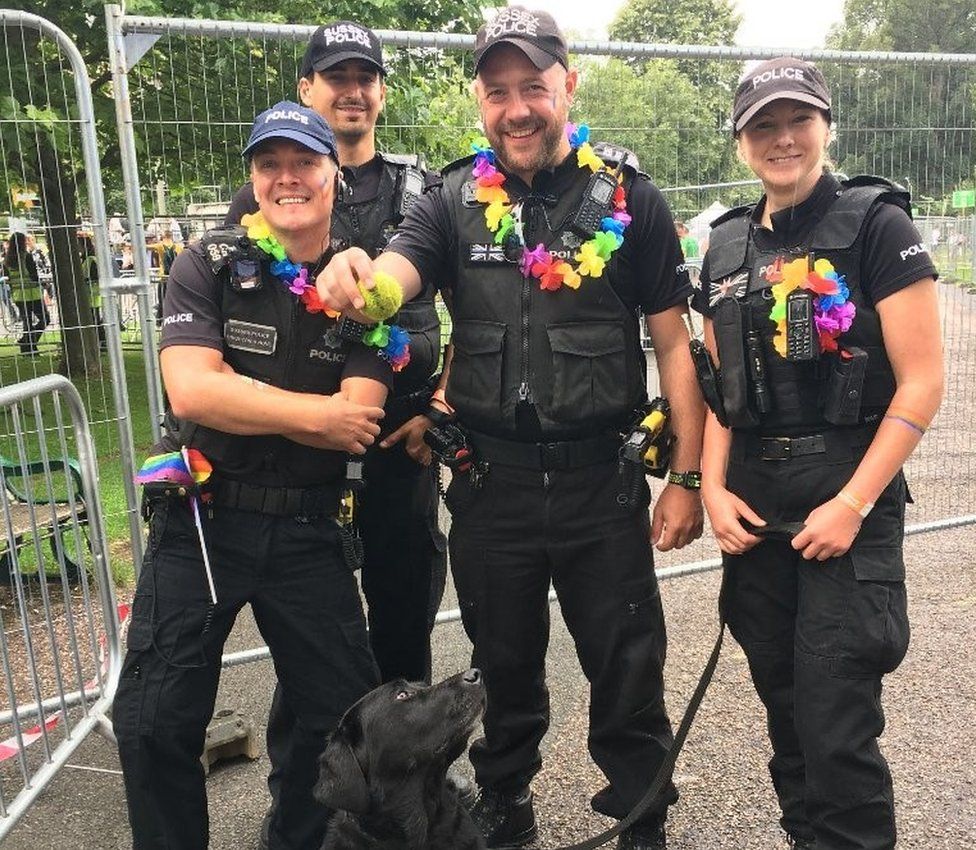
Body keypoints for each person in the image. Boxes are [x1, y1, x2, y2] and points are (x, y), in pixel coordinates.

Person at [315, 8, 705, 849]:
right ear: (479, 100)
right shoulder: (450, 201)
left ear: (570, 83)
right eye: (498, 91)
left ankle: (641, 814)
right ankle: (505, 803)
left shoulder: (632, 200)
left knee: (628, 666)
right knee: (503, 669)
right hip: (492, 488)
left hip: (604, 485)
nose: (518, 107)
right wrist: (360, 277)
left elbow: (675, 346)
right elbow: (395, 276)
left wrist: (687, 478)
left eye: (534, 85)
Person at [113, 102, 394, 850]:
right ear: (253, 178)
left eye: (303, 162)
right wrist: (312, 416)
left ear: (336, 173)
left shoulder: (369, 283)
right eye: (269, 164)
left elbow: (360, 416)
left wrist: (259, 404)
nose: (286, 178)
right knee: (153, 721)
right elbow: (193, 392)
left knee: (341, 724)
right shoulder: (207, 260)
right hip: (200, 525)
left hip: (310, 528)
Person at [693, 58, 943, 850]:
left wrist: (854, 502)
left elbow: (923, 382)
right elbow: (718, 387)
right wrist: (711, 489)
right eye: (762, 125)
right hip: (759, 509)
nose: (782, 138)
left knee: (836, 725)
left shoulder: (877, 226)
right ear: (740, 142)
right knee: (788, 712)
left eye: (797, 120)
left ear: (827, 126)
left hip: (847, 502)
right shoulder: (726, 243)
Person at [224, 20, 449, 844]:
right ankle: (304, 808)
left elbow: (432, 327)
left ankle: (413, 813)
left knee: (400, 642)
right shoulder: (272, 182)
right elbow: (242, 314)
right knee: (308, 654)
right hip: (302, 463)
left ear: (380, 92)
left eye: (366, 76)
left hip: (397, 452)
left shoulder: (422, 190)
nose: (352, 89)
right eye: (334, 75)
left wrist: (432, 404)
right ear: (308, 87)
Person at [2, 232, 48, 355]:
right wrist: (44, 284)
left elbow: (7, 278)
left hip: (18, 295)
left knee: (27, 323)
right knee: (45, 319)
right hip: (32, 293)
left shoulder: (7, 260)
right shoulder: (26, 256)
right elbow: (33, 275)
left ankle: (27, 346)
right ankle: (29, 343)